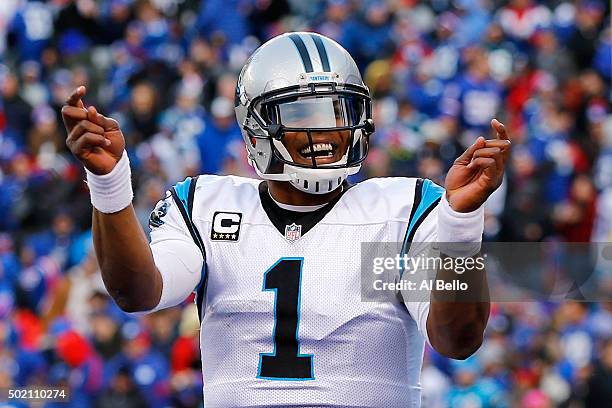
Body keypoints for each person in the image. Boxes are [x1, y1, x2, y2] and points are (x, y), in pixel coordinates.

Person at [61, 32, 511, 407]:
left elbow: (457, 339)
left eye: (340, 112)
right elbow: (138, 292)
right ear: (256, 125)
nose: (330, 131)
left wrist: (461, 224)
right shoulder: (206, 205)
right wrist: (110, 185)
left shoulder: (396, 211)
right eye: (304, 114)